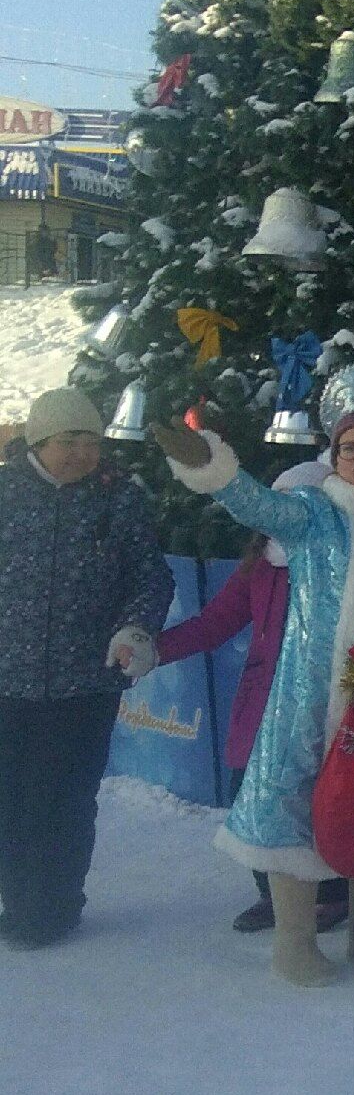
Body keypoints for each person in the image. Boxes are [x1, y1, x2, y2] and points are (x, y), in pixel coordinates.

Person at [153, 358, 354, 986]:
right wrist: (210, 467)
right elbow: (252, 504)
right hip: (307, 694)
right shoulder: (309, 513)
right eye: (350, 446)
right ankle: (294, 943)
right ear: (335, 452)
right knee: (290, 805)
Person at [0, 387, 175, 949]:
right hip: (7, 678)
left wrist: (136, 626)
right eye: (68, 441)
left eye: (90, 441)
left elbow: (151, 576)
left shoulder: (118, 498)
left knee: (66, 797)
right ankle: (17, 896)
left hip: (85, 682)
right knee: (11, 794)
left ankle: (51, 907)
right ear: (39, 441)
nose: (80, 452)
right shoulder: (5, 492)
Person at [154, 458, 350, 934]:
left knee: (325, 796)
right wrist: (153, 650)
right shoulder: (260, 565)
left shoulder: (343, 561)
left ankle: (331, 893)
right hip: (261, 702)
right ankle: (273, 893)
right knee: (255, 794)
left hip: (324, 700)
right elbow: (215, 622)